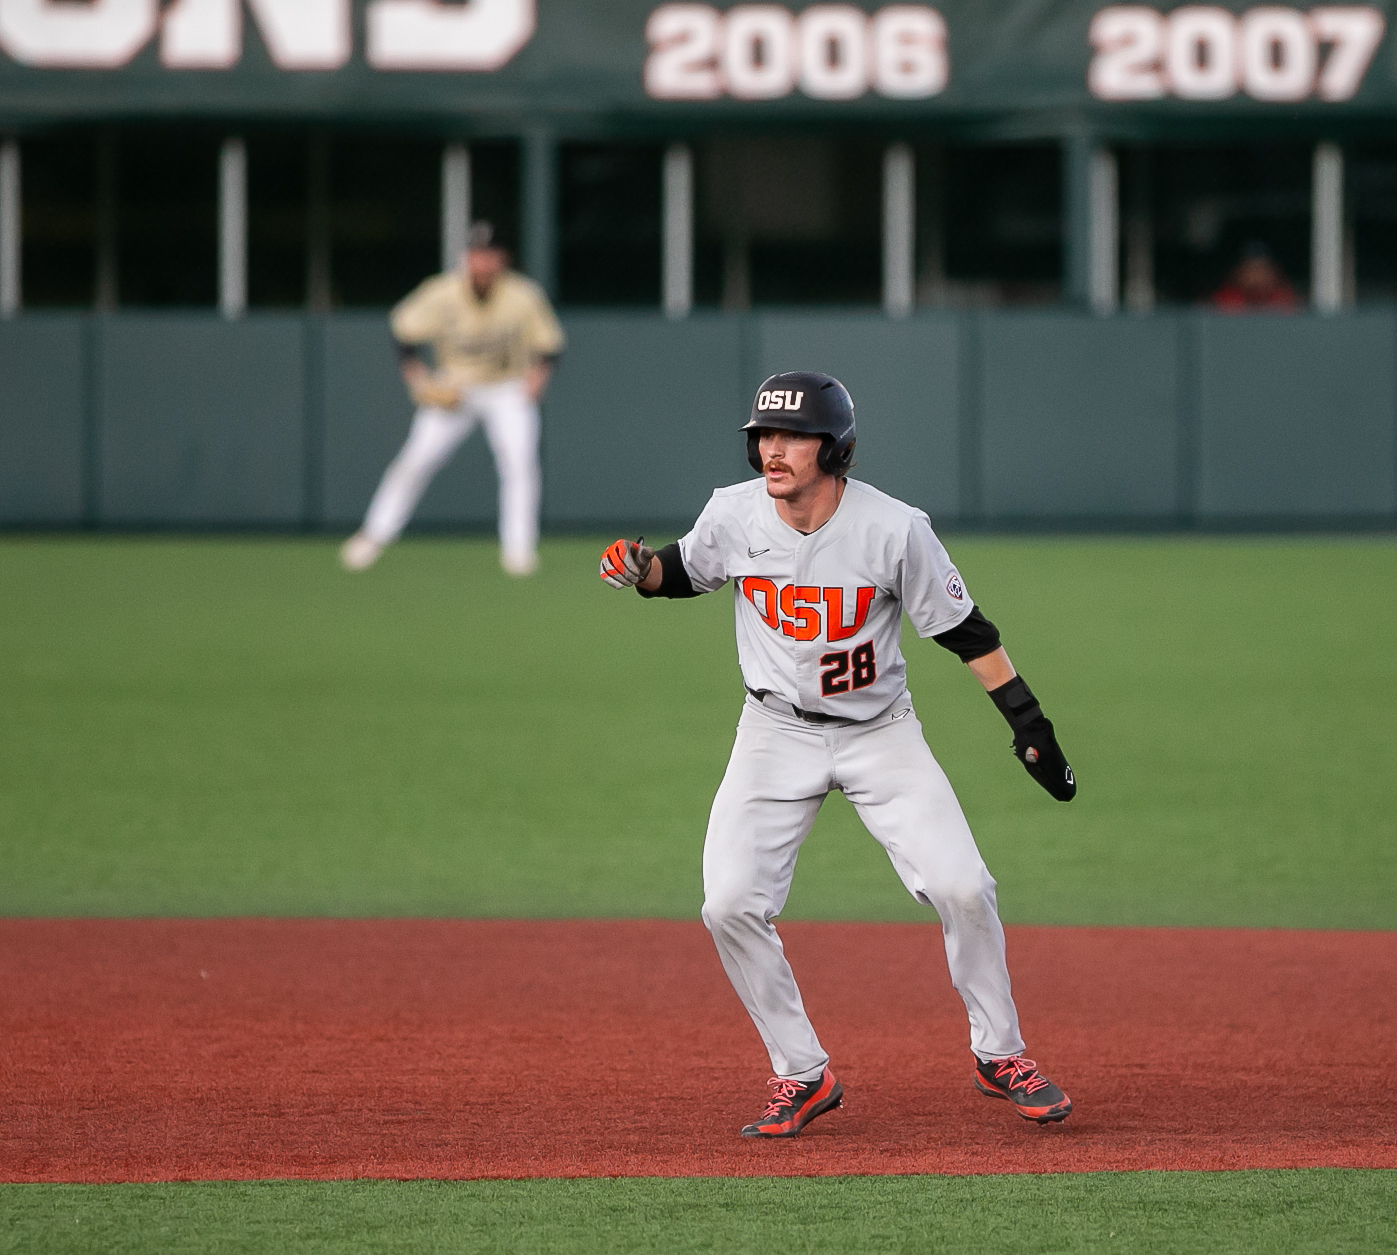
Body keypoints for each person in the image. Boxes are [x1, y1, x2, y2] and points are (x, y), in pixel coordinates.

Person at [598, 372, 1078, 1138]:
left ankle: (1001, 1053)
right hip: (771, 734)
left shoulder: (893, 528)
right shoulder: (734, 510)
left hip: (877, 731)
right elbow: (681, 570)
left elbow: (967, 632)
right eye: (763, 434)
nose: (771, 449)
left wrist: (1027, 719)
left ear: (835, 446)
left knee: (963, 885)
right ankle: (801, 1072)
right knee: (727, 904)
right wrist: (638, 568)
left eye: (791, 436)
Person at [341, 221, 565, 577]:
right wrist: (417, 376)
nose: (482, 261)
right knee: (416, 459)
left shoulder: (523, 295)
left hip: (507, 388)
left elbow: (550, 345)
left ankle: (519, 550)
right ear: (467, 257)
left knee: (520, 463)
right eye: (476, 254)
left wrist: (537, 379)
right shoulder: (442, 291)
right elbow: (403, 330)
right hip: (454, 389)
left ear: (502, 259)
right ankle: (374, 535)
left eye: (489, 254)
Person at [1210, 242, 1299, 313]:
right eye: (1251, 269)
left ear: (1274, 273)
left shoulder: (1285, 300)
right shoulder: (1225, 301)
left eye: (1262, 269)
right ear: (1237, 274)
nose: (1256, 275)